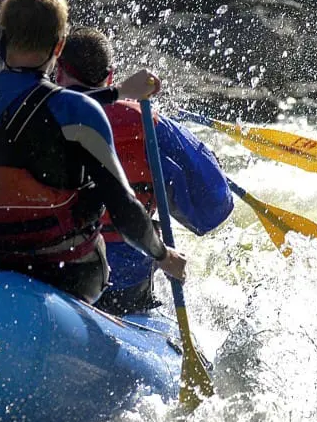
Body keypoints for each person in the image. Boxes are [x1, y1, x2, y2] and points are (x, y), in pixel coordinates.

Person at [0, 0, 186, 304]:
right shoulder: (81, 112)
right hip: (69, 273)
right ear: (58, 48)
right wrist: (162, 255)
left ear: (3, 39)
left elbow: (10, 97)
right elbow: (125, 211)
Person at [55, 27, 233, 312]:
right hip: (125, 288)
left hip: (52, 274)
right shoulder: (150, 124)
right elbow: (213, 207)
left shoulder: (37, 113)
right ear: (110, 76)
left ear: (58, 71)